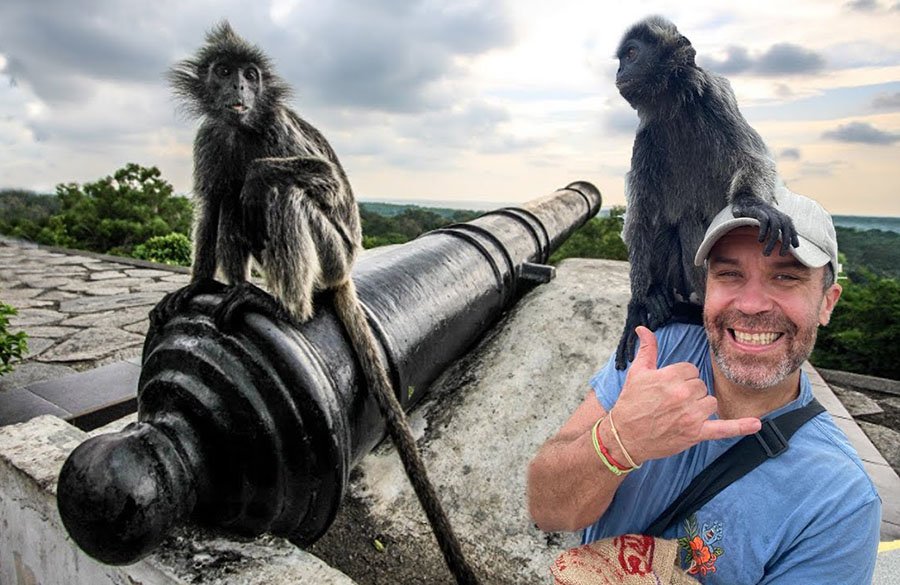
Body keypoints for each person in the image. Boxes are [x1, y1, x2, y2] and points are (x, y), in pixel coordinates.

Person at [527, 190, 881, 584]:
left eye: (785, 277)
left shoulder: (840, 500)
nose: (750, 305)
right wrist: (616, 441)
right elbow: (549, 510)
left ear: (826, 303)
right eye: (729, 274)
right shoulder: (659, 352)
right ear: (705, 288)